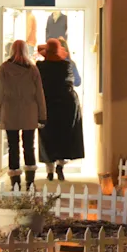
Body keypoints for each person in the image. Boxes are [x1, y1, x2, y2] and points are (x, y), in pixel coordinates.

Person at [0, 40, 48, 191]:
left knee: (12, 147)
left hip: (9, 112)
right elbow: (39, 94)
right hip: (29, 111)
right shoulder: (32, 69)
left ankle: (15, 182)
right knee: (29, 146)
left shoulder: (4, 68)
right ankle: (30, 182)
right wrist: (42, 115)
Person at [37, 38, 85, 181]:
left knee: (47, 136)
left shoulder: (40, 66)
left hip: (48, 103)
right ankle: (60, 166)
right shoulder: (67, 65)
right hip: (67, 104)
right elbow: (77, 81)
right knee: (65, 136)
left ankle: (49, 170)